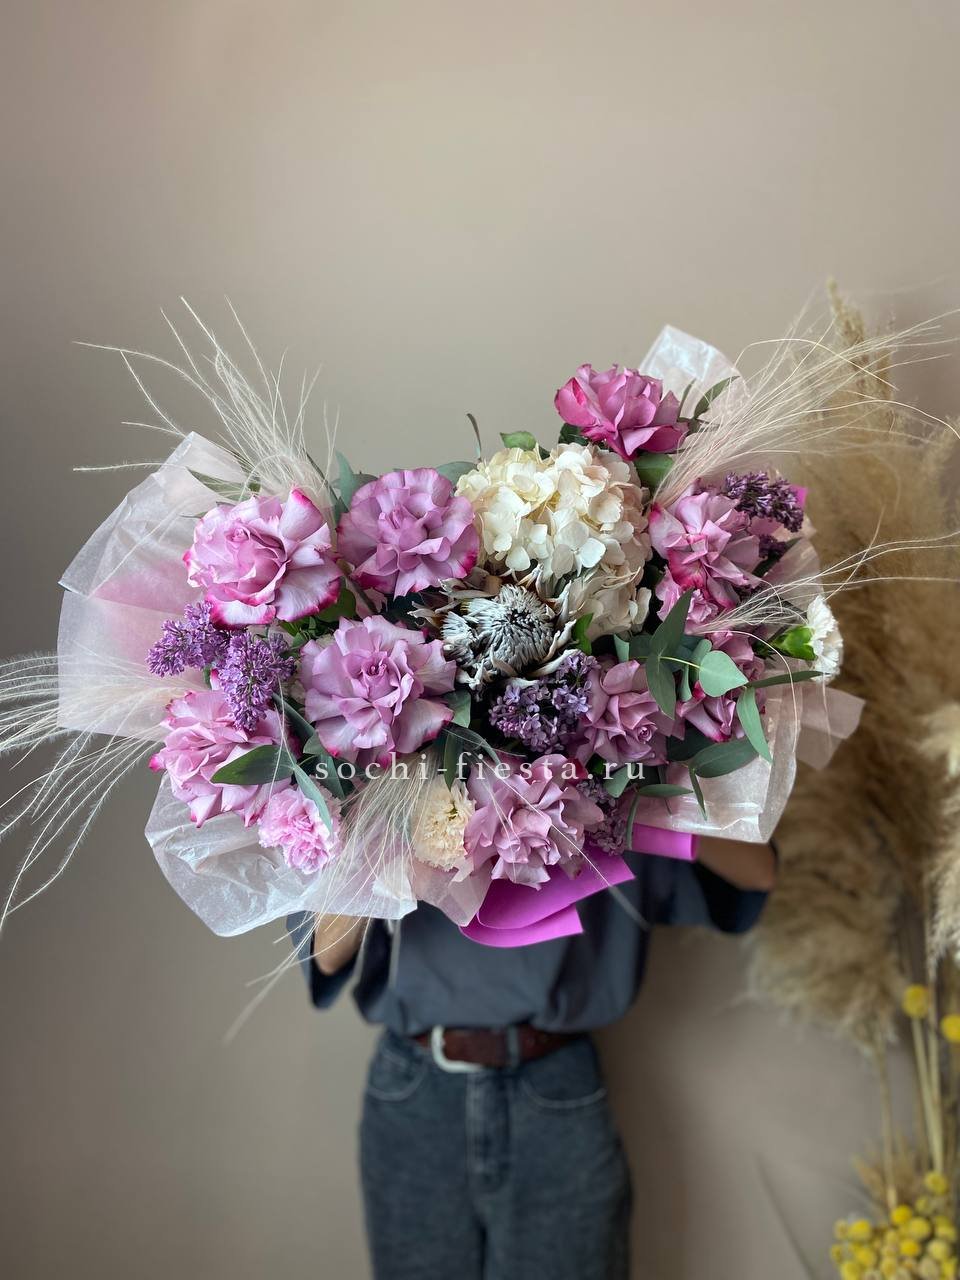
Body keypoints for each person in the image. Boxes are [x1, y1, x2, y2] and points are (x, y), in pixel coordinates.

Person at [288, 835, 775, 1280]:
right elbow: (325, 953)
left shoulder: (612, 781)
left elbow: (758, 871)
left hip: (556, 1089)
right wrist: (387, 829)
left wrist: (647, 797)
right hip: (414, 1096)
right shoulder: (376, 778)